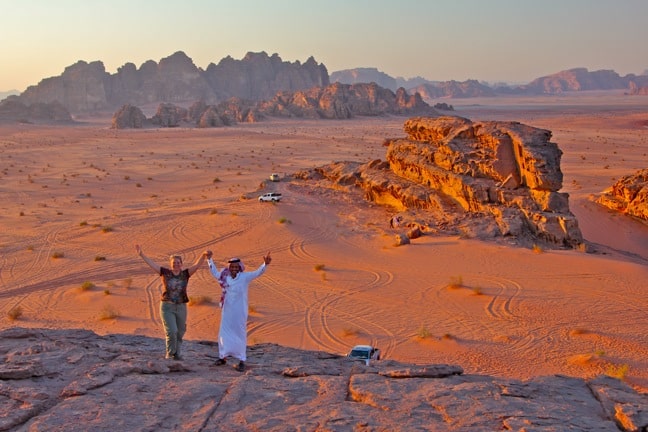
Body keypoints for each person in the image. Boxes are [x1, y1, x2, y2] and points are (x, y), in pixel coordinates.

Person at [135, 244, 209, 360]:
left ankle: (177, 354)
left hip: (181, 307)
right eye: (174, 263)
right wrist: (142, 255)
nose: (176, 264)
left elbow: (196, 265)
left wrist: (203, 255)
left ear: (181, 264)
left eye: (178, 262)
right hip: (167, 307)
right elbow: (152, 264)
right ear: (170, 264)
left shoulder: (185, 274)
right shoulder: (165, 273)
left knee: (180, 332)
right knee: (172, 331)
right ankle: (169, 354)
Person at [207, 250, 272, 371]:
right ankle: (223, 357)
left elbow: (258, 273)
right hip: (227, 310)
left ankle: (242, 360)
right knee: (224, 333)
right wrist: (209, 259)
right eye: (232, 266)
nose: (234, 268)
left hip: (240, 311)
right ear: (229, 267)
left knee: (240, 333)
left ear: (240, 267)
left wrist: (265, 264)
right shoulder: (224, 276)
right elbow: (214, 272)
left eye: (236, 266)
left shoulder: (244, 277)